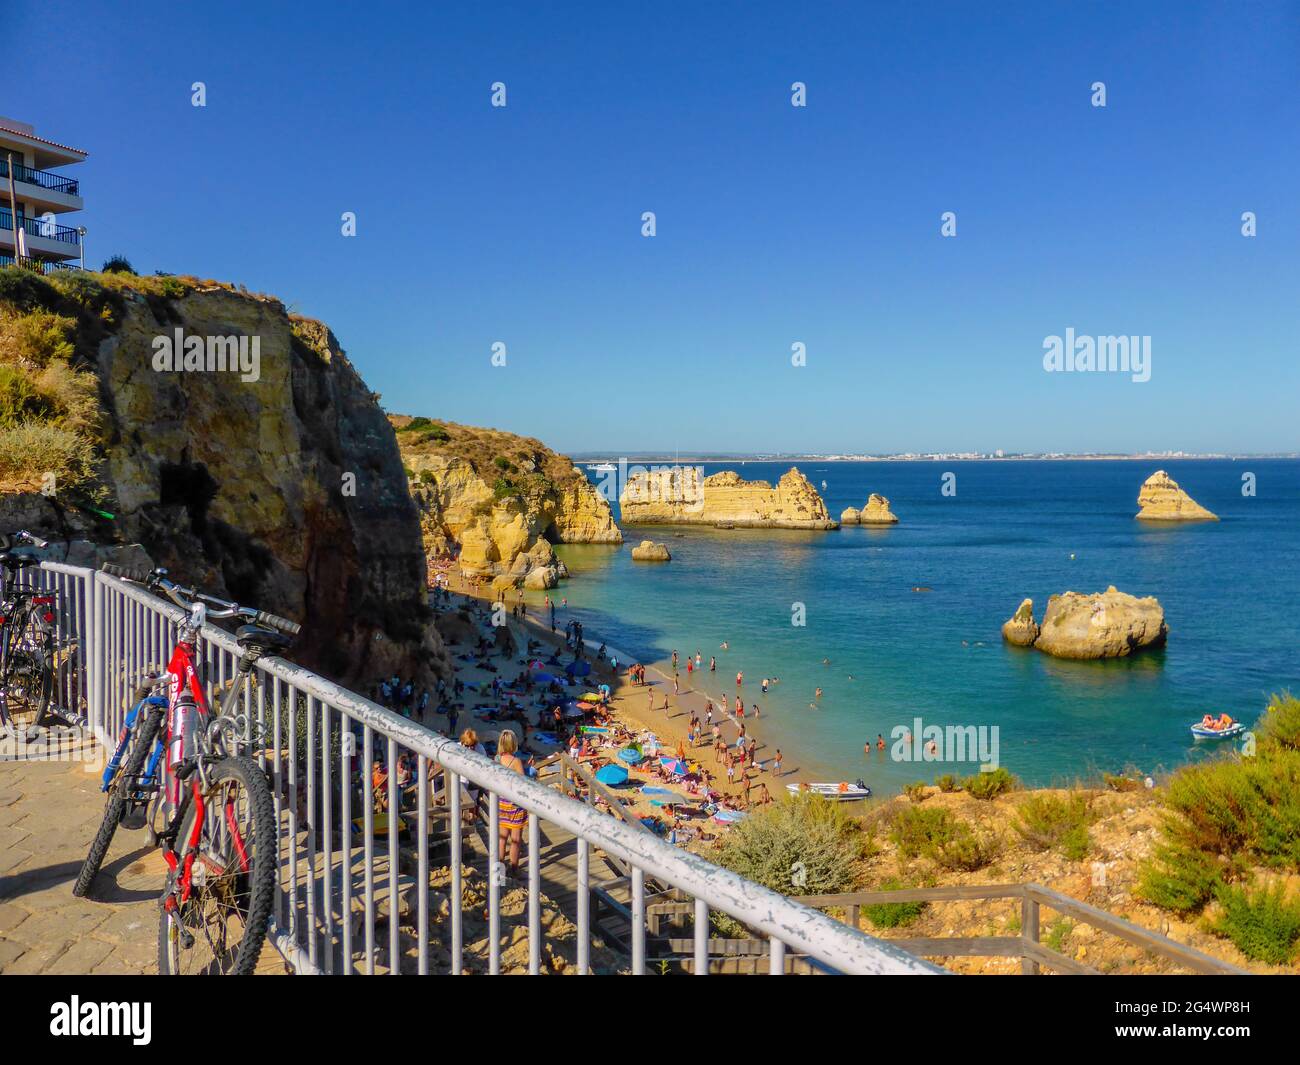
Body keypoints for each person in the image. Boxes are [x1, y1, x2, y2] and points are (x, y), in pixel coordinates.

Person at [495, 730, 528, 877]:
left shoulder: (496, 759)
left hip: (501, 802)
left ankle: (499, 872)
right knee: (515, 840)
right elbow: (523, 783)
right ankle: (514, 870)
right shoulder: (516, 762)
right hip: (514, 803)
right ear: (513, 744)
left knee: (502, 839)